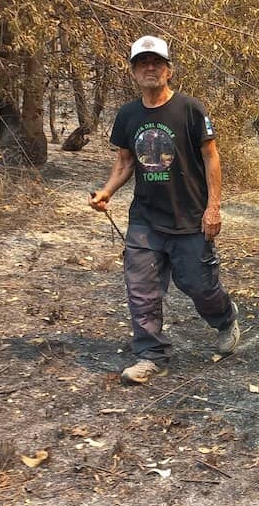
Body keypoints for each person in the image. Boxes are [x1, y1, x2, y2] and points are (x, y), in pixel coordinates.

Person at [90, 36, 240, 385]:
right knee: (141, 288)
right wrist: (106, 192)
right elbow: (125, 161)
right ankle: (151, 355)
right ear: (133, 71)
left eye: (156, 62)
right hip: (145, 219)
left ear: (169, 69)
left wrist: (213, 208)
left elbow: (211, 157)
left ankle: (225, 318)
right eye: (142, 63)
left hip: (190, 217)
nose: (150, 68)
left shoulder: (190, 109)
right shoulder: (128, 114)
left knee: (199, 286)